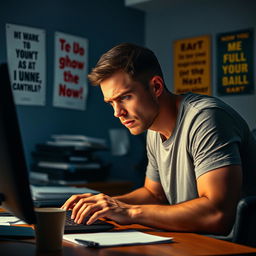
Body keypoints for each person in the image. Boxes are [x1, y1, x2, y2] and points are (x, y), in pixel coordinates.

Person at [61, 43, 256, 235]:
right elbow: (155, 195)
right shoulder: (153, 129)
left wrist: (128, 211)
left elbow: (217, 215)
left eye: (125, 97)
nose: (117, 112)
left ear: (156, 86)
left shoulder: (205, 118)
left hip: (232, 246)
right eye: (111, 102)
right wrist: (104, 204)